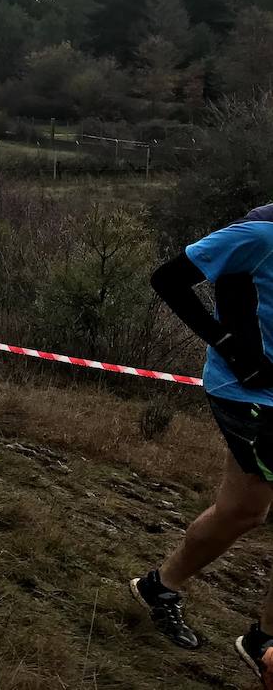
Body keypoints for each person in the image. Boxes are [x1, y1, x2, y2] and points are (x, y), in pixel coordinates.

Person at [130, 203, 273, 682]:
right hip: (248, 394)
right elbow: (168, 278)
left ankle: (159, 586)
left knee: (242, 511)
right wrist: (231, 348)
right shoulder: (258, 234)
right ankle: (264, 643)